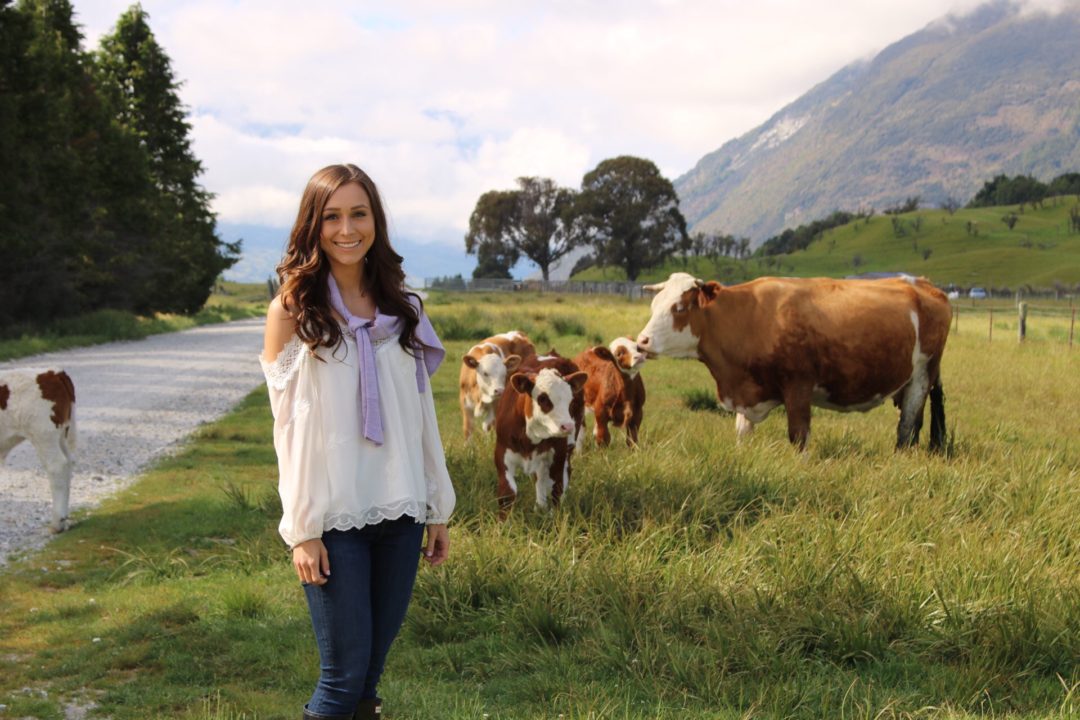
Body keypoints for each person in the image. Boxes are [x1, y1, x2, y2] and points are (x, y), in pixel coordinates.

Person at [259, 163, 455, 720]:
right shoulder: (294, 312)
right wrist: (302, 530)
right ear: (312, 226)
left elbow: (420, 416)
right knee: (341, 682)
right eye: (332, 216)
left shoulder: (405, 308)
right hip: (335, 518)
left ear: (376, 221)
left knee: (369, 681)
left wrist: (436, 505)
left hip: (401, 511)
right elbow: (288, 430)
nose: (347, 229)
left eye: (359, 214)